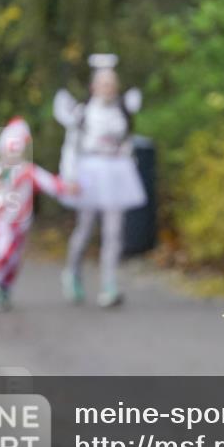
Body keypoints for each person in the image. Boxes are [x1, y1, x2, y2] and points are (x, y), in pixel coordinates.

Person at [53, 53, 146, 308]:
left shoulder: (122, 111)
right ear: (94, 86)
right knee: (84, 229)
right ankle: (72, 271)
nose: (108, 89)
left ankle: (109, 283)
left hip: (116, 173)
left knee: (113, 232)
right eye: (103, 84)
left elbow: (126, 142)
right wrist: (69, 176)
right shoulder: (83, 114)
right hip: (89, 173)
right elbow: (71, 146)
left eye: (111, 84)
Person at [0, 117, 76, 309]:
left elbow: (50, 183)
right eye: (9, 150)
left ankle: (4, 288)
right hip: (0, 221)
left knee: (15, 258)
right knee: (4, 250)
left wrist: (67, 187)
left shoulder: (29, 171)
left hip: (21, 223)